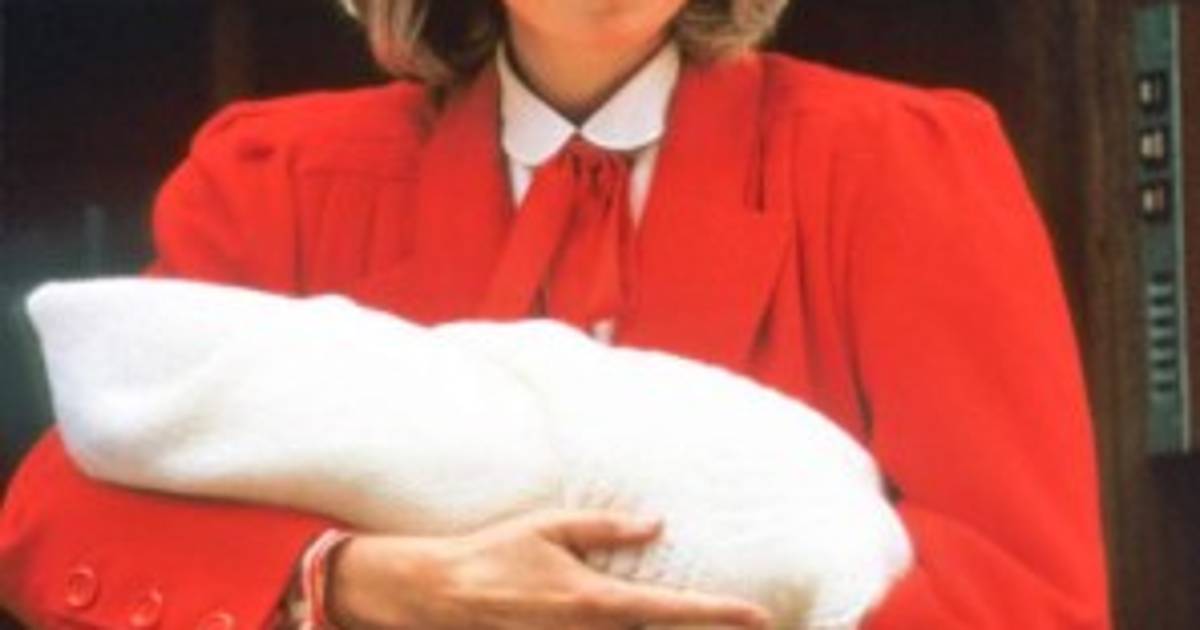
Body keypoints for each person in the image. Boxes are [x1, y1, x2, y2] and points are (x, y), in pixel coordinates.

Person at [0, 0, 1110, 628]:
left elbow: (1021, 598)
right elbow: (61, 515)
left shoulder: (903, 166)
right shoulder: (277, 179)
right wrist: (359, 584)